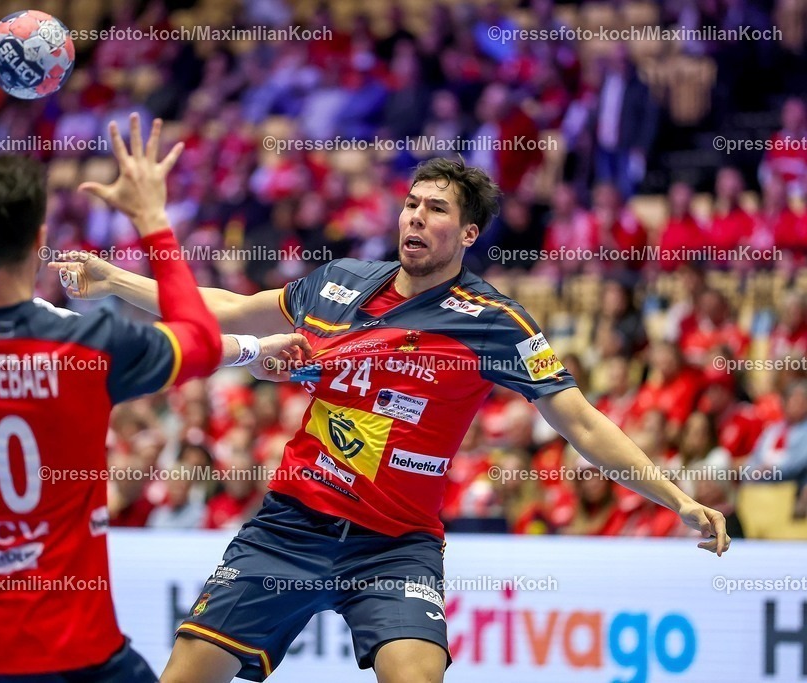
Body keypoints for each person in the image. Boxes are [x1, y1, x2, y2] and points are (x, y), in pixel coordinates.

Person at [55, 157, 732, 683]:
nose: (414, 217)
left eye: (435, 209)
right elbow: (225, 310)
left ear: (467, 233)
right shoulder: (338, 282)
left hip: (395, 545)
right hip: (290, 525)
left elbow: (582, 423)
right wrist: (113, 280)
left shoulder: (492, 323)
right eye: (410, 203)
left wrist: (675, 497)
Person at [0, 118, 308, 682]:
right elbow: (200, 340)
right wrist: (153, 220)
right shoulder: (83, 345)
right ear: (38, 240)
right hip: (71, 637)